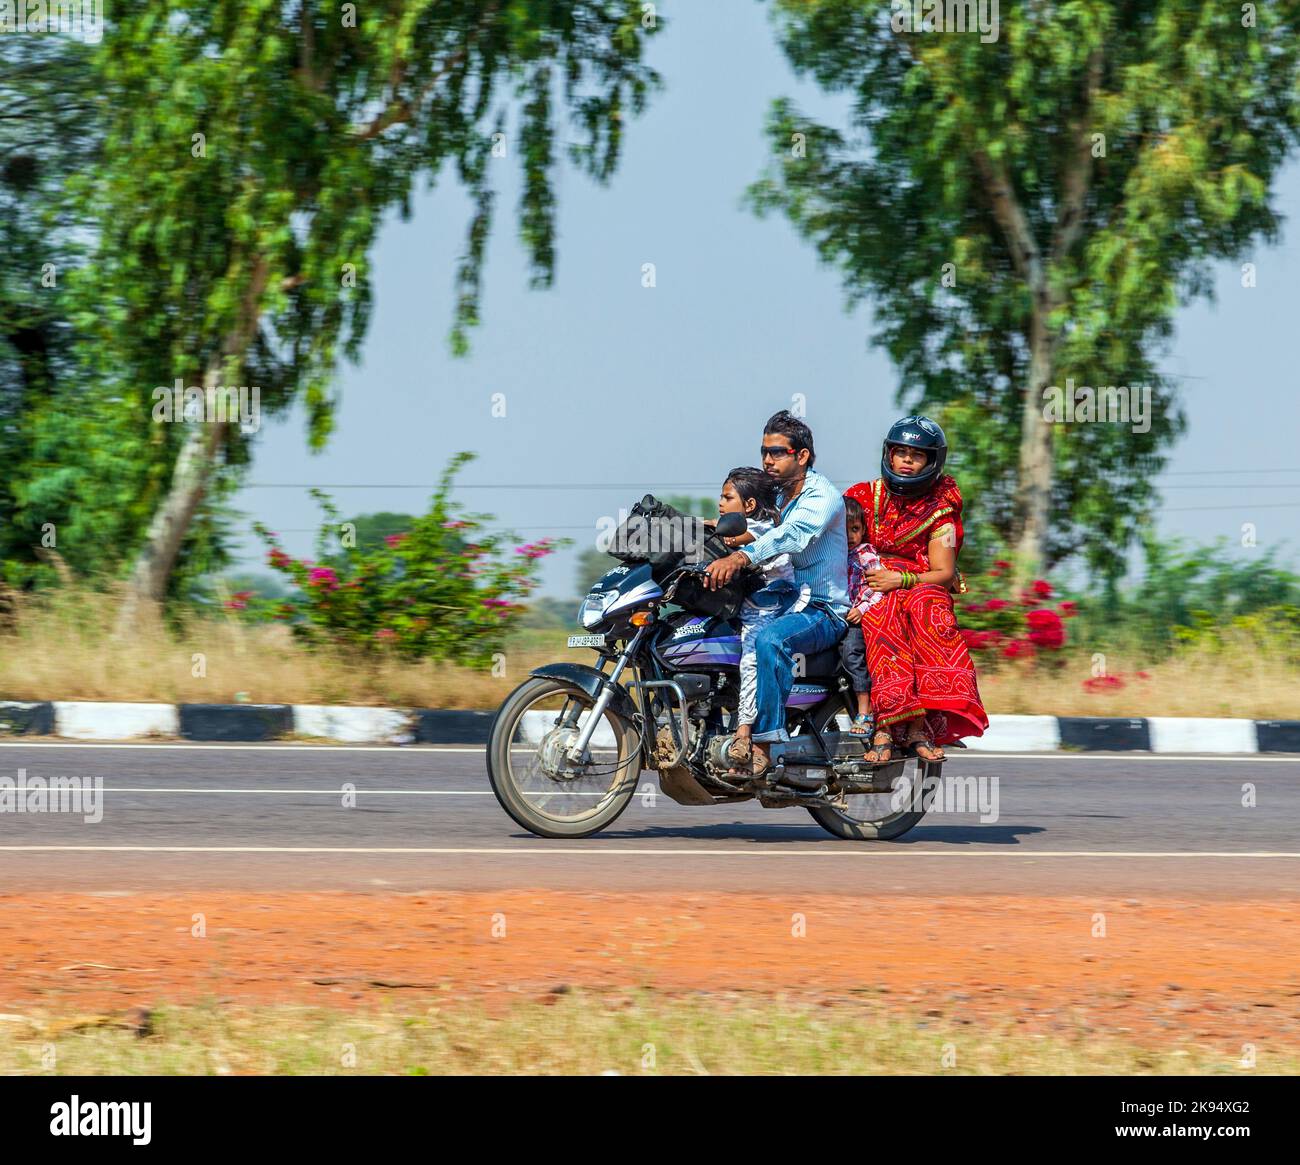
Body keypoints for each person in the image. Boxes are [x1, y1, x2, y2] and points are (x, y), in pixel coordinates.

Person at [704, 410, 849, 781]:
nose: (767, 459)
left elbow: (791, 536)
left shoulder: (823, 497)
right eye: (764, 452)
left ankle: (761, 744)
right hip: (787, 596)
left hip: (821, 608)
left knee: (769, 639)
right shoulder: (781, 494)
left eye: (777, 452)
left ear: (802, 456)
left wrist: (740, 556)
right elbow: (763, 527)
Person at [843, 415, 988, 763]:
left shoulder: (941, 510)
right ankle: (885, 723)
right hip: (869, 581)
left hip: (921, 581)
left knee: (926, 606)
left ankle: (921, 725)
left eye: (917, 455)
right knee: (882, 611)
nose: (906, 460)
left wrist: (900, 579)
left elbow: (943, 572)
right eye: (900, 452)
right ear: (888, 455)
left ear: (931, 461)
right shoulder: (862, 496)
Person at [712, 468, 809, 773]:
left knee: (751, 658)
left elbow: (737, 537)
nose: (720, 502)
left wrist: (713, 530)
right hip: (752, 605)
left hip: (776, 606)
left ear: (749, 505)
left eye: (728, 497)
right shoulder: (740, 526)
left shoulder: (762, 528)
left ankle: (744, 733)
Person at [841, 494, 883, 737]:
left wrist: (862, 609)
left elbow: (877, 589)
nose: (850, 536)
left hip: (858, 618)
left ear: (864, 529)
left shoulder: (866, 554)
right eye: (844, 530)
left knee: (852, 655)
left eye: (855, 529)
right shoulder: (834, 553)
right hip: (838, 616)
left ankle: (865, 709)